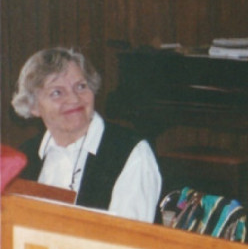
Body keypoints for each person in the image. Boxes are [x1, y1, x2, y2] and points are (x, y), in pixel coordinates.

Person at [11, 47, 162, 223]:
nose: (74, 99)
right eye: (57, 92)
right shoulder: (24, 157)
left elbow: (128, 240)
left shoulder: (131, 152)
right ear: (34, 106)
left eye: (81, 86)